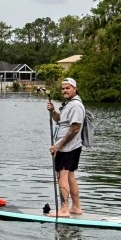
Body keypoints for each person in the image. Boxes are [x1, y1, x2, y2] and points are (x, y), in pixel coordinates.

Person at [46, 77, 86, 217]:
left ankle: (64, 210)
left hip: (67, 148)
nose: (64, 90)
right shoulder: (69, 104)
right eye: (63, 88)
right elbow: (60, 120)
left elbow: (75, 128)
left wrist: (58, 146)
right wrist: (53, 111)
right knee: (70, 176)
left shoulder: (75, 105)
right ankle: (75, 208)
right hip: (71, 147)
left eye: (68, 88)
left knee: (62, 177)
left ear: (75, 89)